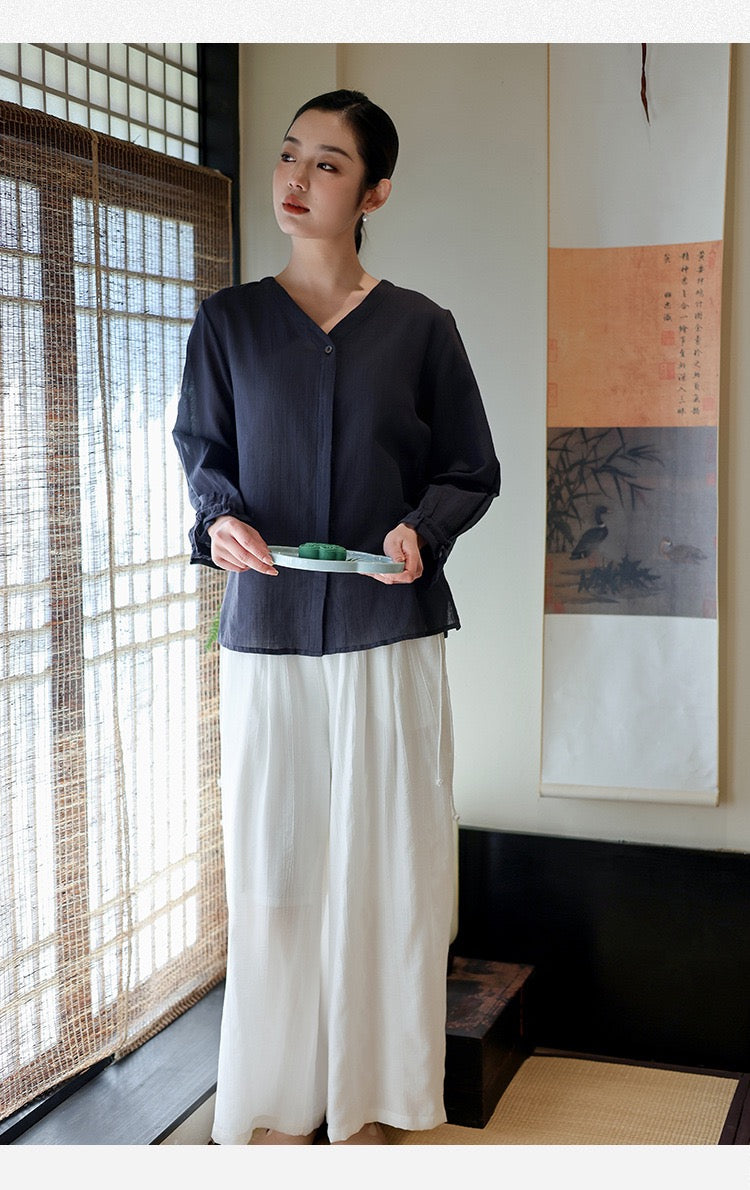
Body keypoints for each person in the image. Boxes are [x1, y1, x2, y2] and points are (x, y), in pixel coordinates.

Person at [173, 89, 500, 1146]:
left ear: (374, 193)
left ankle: (377, 1100)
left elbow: (470, 468)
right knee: (274, 868)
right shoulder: (227, 323)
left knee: (391, 868)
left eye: (326, 163)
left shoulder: (421, 327)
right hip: (267, 635)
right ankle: (278, 1098)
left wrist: (421, 530)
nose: (294, 178)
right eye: (288, 155)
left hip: (385, 636)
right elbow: (203, 458)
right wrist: (219, 520)